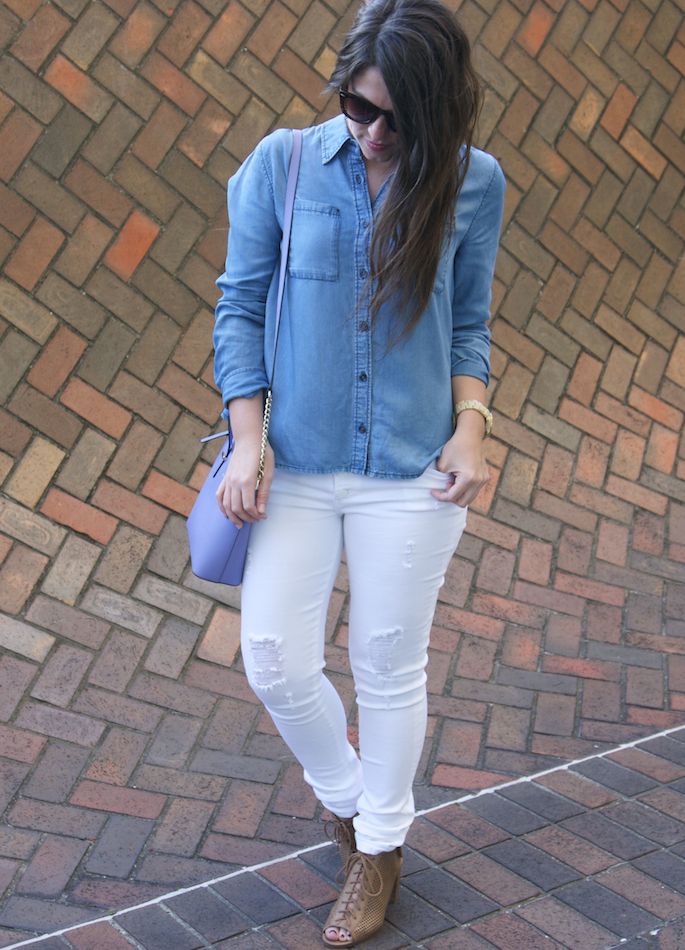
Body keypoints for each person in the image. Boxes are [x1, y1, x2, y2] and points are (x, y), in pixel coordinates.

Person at [213, 0, 505, 943]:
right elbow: (239, 306)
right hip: (291, 463)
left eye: (395, 118)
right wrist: (246, 437)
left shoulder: (472, 182)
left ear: (437, 112)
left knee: (385, 664)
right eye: (356, 105)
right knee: (273, 660)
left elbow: (469, 322)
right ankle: (345, 797)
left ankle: (379, 848)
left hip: (413, 470)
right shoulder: (284, 163)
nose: (371, 131)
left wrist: (471, 428)